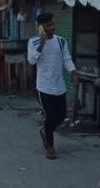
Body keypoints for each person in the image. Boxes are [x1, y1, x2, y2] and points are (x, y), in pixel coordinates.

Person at [27, 12, 78, 160]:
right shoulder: (34, 42)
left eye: (53, 24)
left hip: (59, 86)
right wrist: (41, 44)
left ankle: (45, 131)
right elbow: (31, 61)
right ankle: (50, 146)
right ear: (41, 27)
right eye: (49, 25)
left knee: (62, 115)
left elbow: (67, 59)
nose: (52, 27)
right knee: (51, 116)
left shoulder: (61, 41)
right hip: (44, 86)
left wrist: (73, 71)